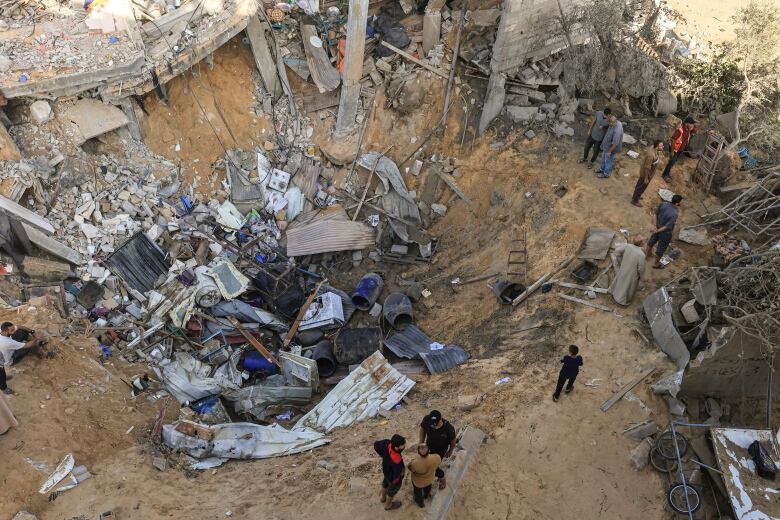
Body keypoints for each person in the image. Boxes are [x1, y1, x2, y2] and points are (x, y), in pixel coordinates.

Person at [0, 322, 49, 395]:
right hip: (10, 359)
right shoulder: (6, 342)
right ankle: (4, 388)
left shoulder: (4, 331)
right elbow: (27, 346)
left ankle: (37, 345)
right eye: (12, 330)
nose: (14, 330)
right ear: (5, 331)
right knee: (1, 373)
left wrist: (32, 332)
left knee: (20, 332)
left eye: (13, 328)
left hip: (4, 353)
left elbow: (19, 327)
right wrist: (36, 338)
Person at [419, 410, 456, 489]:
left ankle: (442, 478)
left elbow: (453, 441)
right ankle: (435, 475)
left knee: (433, 466)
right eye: (432, 424)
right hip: (429, 446)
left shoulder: (448, 428)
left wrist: (450, 451)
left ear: (440, 420)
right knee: (427, 463)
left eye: (435, 424)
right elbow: (422, 429)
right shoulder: (427, 419)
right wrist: (421, 442)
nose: (433, 426)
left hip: (440, 450)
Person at [646, 195, 683, 269]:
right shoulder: (674, 213)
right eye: (680, 202)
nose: (681, 203)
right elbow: (667, 226)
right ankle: (656, 264)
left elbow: (655, 214)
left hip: (657, 227)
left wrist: (655, 227)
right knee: (661, 249)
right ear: (676, 203)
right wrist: (658, 231)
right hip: (665, 233)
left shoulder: (663, 204)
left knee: (651, 242)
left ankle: (646, 255)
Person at [609, 236, 647, 305]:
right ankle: (622, 301)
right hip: (632, 274)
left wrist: (620, 261)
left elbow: (617, 251)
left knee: (620, 282)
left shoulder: (627, 246)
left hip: (624, 268)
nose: (645, 242)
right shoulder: (641, 255)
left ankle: (614, 293)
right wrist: (642, 278)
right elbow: (641, 269)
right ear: (641, 243)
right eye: (644, 241)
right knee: (628, 287)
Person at [374, 434, 406, 511]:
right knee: (391, 491)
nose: (404, 446)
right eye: (403, 445)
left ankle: (383, 498)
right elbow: (397, 475)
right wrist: (399, 479)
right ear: (397, 447)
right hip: (393, 477)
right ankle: (388, 505)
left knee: (385, 484)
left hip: (386, 471)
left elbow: (375, 445)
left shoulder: (387, 443)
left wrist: (382, 455)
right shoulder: (397, 459)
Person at [661, 116, 699, 183]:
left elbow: (696, 130)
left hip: (680, 150)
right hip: (675, 149)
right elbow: (673, 140)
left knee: (673, 162)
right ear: (687, 123)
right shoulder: (680, 130)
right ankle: (665, 175)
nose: (692, 126)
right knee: (671, 162)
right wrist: (672, 152)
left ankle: (666, 174)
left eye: (693, 125)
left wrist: (707, 132)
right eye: (691, 124)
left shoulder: (688, 129)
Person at [631, 140, 664, 207]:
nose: (663, 147)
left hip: (648, 173)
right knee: (641, 186)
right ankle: (634, 200)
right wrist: (646, 178)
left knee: (640, 186)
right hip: (646, 174)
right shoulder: (651, 155)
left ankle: (637, 196)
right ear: (657, 146)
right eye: (661, 146)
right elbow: (647, 167)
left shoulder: (654, 149)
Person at [408, 444, 441, 508]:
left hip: (419, 483)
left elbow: (410, 468)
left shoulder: (415, 463)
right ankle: (426, 495)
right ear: (429, 451)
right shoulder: (436, 457)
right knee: (428, 487)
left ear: (418, 453)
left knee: (418, 493)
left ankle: (420, 503)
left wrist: (413, 461)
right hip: (430, 478)